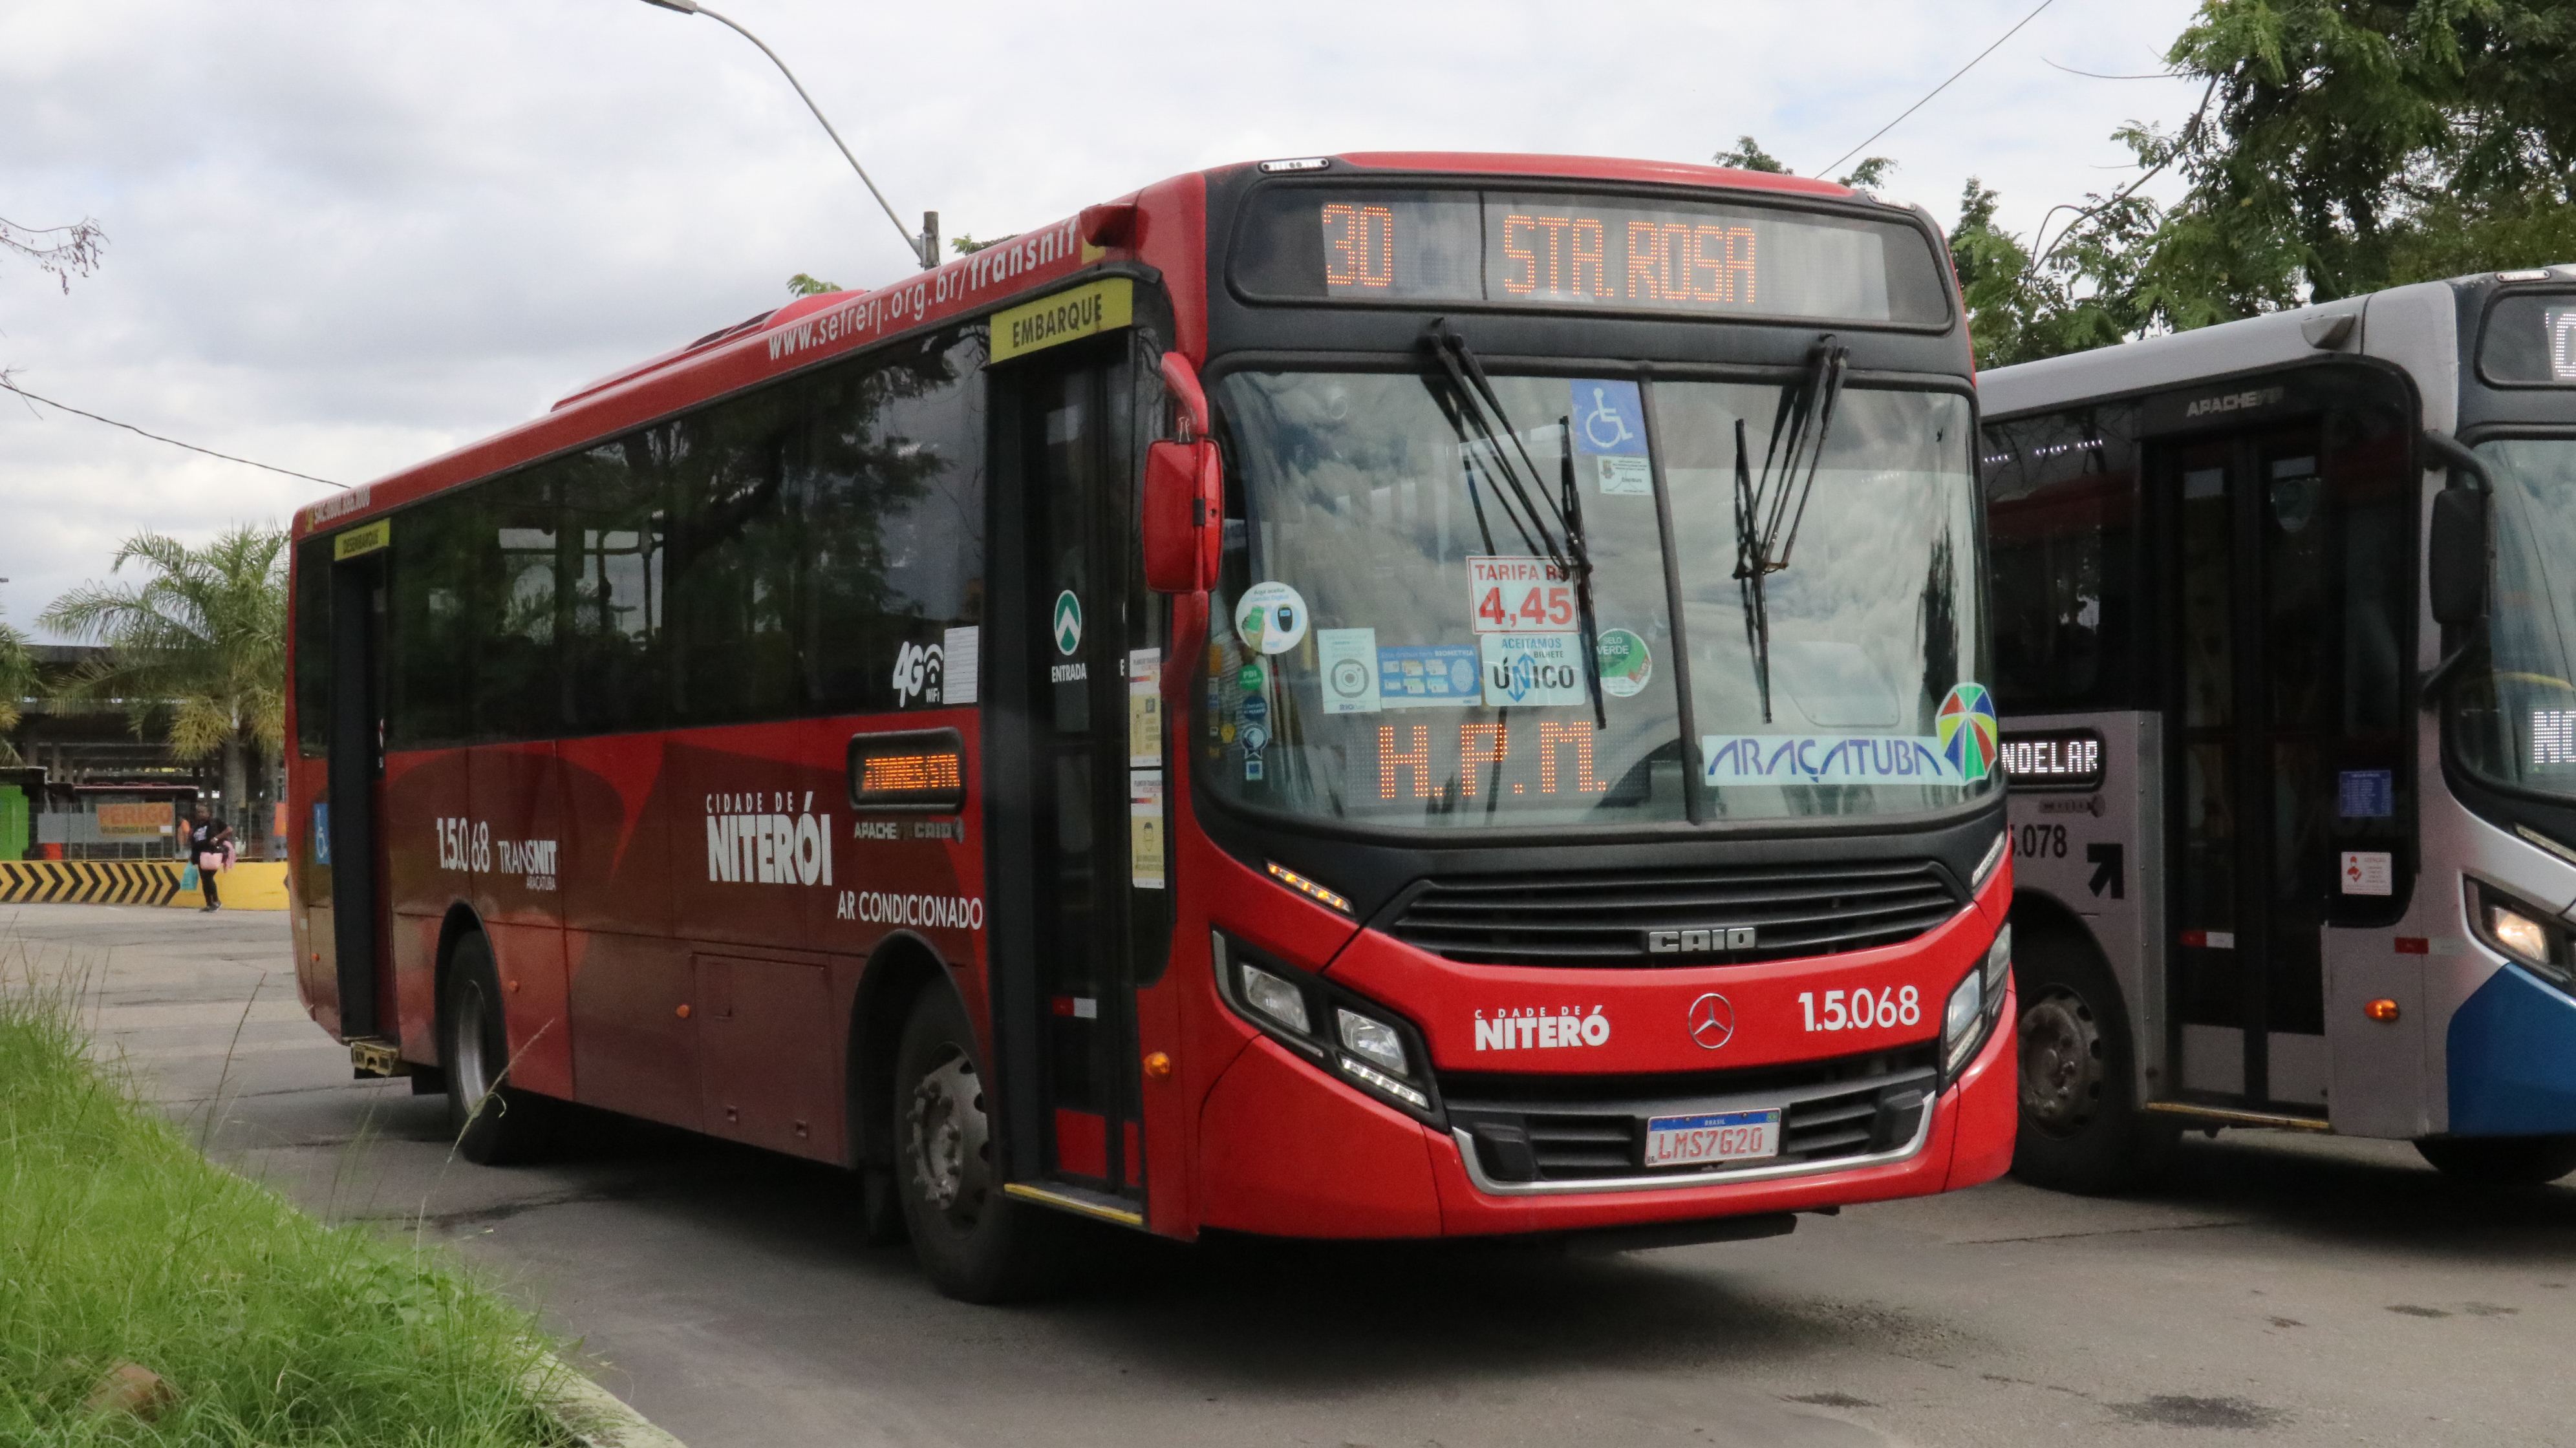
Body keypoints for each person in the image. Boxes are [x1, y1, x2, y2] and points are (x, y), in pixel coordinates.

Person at [187, 804, 234, 912]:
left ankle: (217, 901)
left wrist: (216, 838)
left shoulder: (215, 822)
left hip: (212, 853)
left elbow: (229, 830)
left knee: (209, 877)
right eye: (198, 812)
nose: (200, 814)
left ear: (209, 813)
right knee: (204, 879)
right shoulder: (197, 826)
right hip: (200, 855)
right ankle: (209, 904)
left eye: (203, 812)